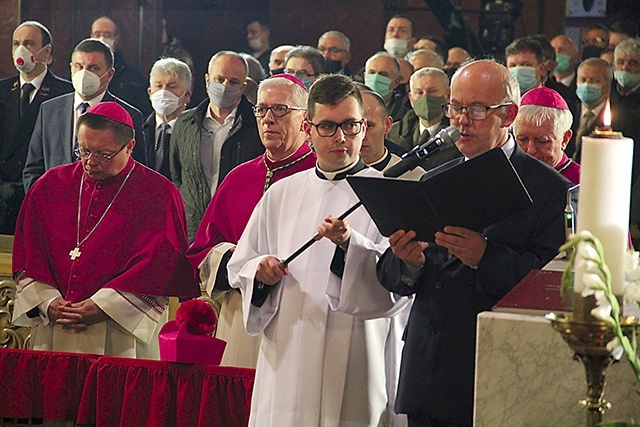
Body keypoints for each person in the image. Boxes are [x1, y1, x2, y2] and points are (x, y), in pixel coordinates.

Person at [376, 59, 572, 426]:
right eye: (456, 107)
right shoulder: (435, 177)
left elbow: (554, 287)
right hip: (428, 372)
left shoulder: (551, 191)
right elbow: (392, 275)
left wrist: (486, 256)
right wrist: (408, 262)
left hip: (496, 372)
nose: (461, 120)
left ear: (509, 114)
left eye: (477, 109)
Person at [227, 74, 408, 426]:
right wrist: (261, 272)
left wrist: (349, 246)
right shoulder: (281, 194)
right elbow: (241, 266)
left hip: (356, 348)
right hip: (289, 348)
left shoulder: (387, 195)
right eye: (328, 126)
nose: (341, 138)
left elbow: (397, 290)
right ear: (308, 129)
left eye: (351, 125)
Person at [12, 102, 199, 357]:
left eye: (103, 154)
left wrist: (104, 306)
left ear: (130, 147)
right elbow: (28, 253)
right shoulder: (49, 186)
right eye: (84, 150)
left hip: (119, 331)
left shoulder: (158, 194)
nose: (91, 162)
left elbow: (159, 266)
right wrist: (47, 303)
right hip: (54, 325)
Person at [187, 74, 316, 368]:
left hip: (300, 316)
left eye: (280, 110)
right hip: (241, 315)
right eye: (262, 110)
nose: (268, 119)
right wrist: (243, 263)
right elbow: (202, 251)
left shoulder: (319, 177)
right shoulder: (239, 178)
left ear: (305, 119)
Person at [23, 38, 146, 191]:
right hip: (56, 206)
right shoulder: (49, 110)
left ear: (109, 74)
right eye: (79, 66)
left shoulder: (128, 115)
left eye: (93, 68)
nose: (84, 73)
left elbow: (137, 176)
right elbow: (33, 169)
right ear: (71, 68)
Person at [169, 50, 263, 241]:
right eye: (219, 79)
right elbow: (177, 176)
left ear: (244, 86)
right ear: (207, 80)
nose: (225, 86)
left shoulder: (257, 125)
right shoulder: (185, 123)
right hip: (193, 231)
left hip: (238, 232)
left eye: (233, 82)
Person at [0, 21, 73, 234]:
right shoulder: (3, 90)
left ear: (46, 50)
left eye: (29, 43)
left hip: (39, 194)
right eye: (16, 43)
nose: (21, 49)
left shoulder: (64, 93)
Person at [572, 57, 640, 182]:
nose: (587, 85)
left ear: (608, 85)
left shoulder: (625, 120)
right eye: (583, 80)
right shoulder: (567, 112)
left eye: (594, 81)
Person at [388, 68, 461, 171]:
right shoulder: (393, 134)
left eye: (432, 91)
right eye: (419, 93)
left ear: (448, 95)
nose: (425, 98)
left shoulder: (459, 133)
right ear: (411, 99)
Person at [513, 86, 580, 184]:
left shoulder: (582, 182)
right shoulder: (506, 174)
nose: (530, 150)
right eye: (523, 139)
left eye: (541, 141)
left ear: (565, 139)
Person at [90, 16, 152, 117]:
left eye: (107, 34)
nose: (102, 38)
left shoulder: (133, 78)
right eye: (97, 34)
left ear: (116, 39)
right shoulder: (80, 73)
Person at [360, 89, 423, 180]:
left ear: (387, 125)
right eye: (352, 125)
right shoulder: (333, 173)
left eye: (369, 126)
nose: (361, 135)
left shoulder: (413, 177)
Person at [145, 58, 192, 180]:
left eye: (172, 87)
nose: (163, 92)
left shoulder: (195, 131)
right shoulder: (138, 128)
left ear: (186, 95)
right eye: (159, 86)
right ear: (150, 92)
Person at [365, 51, 408, 122]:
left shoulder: (405, 117)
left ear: (396, 82)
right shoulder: (351, 108)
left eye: (383, 74)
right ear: (365, 76)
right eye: (372, 73)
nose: (375, 78)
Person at [610, 38, 640, 110]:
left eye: (633, 64)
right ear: (614, 66)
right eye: (621, 62)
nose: (625, 68)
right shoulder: (605, 91)